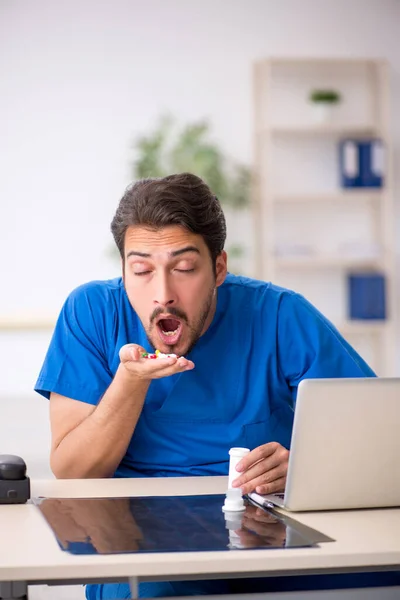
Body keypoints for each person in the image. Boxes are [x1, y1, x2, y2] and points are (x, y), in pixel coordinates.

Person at [35, 172, 377, 599]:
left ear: (217, 268)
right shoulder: (90, 312)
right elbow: (73, 472)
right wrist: (129, 383)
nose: (163, 294)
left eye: (183, 268)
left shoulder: (277, 314)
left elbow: (374, 437)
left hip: (267, 526)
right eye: (140, 270)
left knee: (374, 575)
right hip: (139, 539)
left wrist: (309, 464)